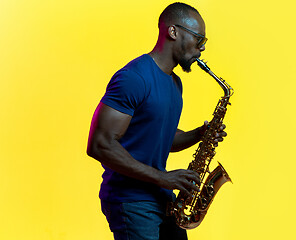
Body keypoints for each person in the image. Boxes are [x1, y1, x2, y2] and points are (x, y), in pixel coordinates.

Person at [87, 2, 227, 240]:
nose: (201, 49)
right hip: (131, 200)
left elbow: (161, 138)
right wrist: (164, 178)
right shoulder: (134, 77)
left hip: (161, 197)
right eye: (198, 39)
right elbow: (100, 145)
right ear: (173, 32)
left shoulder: (175, 84)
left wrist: (199, 134)